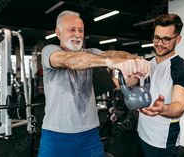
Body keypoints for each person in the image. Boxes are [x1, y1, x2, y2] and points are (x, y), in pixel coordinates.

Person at [38, 10, 150, 157]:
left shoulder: (90, 52)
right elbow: (69, 60)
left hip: (89, 135)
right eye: (72, 30)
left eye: (80, 30)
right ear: (58, 33)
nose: (77, 34)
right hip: (57, 135)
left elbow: (112, 54)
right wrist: (110, 63)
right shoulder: (50, 51)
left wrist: (134, 60)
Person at [137, 13, 184, 157]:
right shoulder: (147, 63)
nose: (160, 43)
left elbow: (179, 106)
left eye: (166, 39)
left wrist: (162, 109)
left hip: (163, 143)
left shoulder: (180, 67)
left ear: (178, 39)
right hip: (141, 133)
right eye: (156, 37)